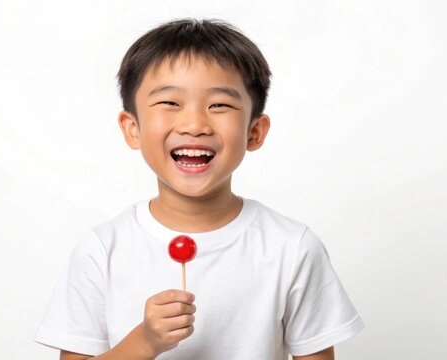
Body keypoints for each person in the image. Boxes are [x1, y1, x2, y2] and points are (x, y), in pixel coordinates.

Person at [34, 18, 364, 360]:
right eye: (169, 103)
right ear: (132, 129)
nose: (194, 125)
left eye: (219, 105)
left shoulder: (292, 248)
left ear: (255, 132)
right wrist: (145, 342)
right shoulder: (102, 250)